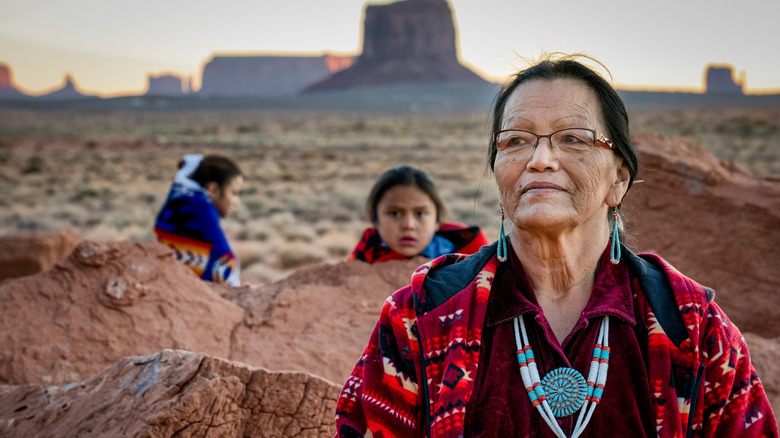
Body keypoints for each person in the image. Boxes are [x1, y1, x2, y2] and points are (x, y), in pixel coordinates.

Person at [334, 55, 778, 437]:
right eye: (516, 141)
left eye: (572, 138)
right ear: (499, 172)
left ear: (618, 179)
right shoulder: (421, 316)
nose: (540, 159)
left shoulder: (693, 328)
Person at [347, 165, 489, 263]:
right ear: (375, 218)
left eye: (420, 213)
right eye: (395, 213)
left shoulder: (470, 253)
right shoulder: (367, 250)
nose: (408, 225)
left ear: (437, 221)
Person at [154, 154, 243, 286]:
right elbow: (225, 267)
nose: (237, 202)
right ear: (213, 190)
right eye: (234, 193)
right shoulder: (200, 209)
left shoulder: (179, 200)